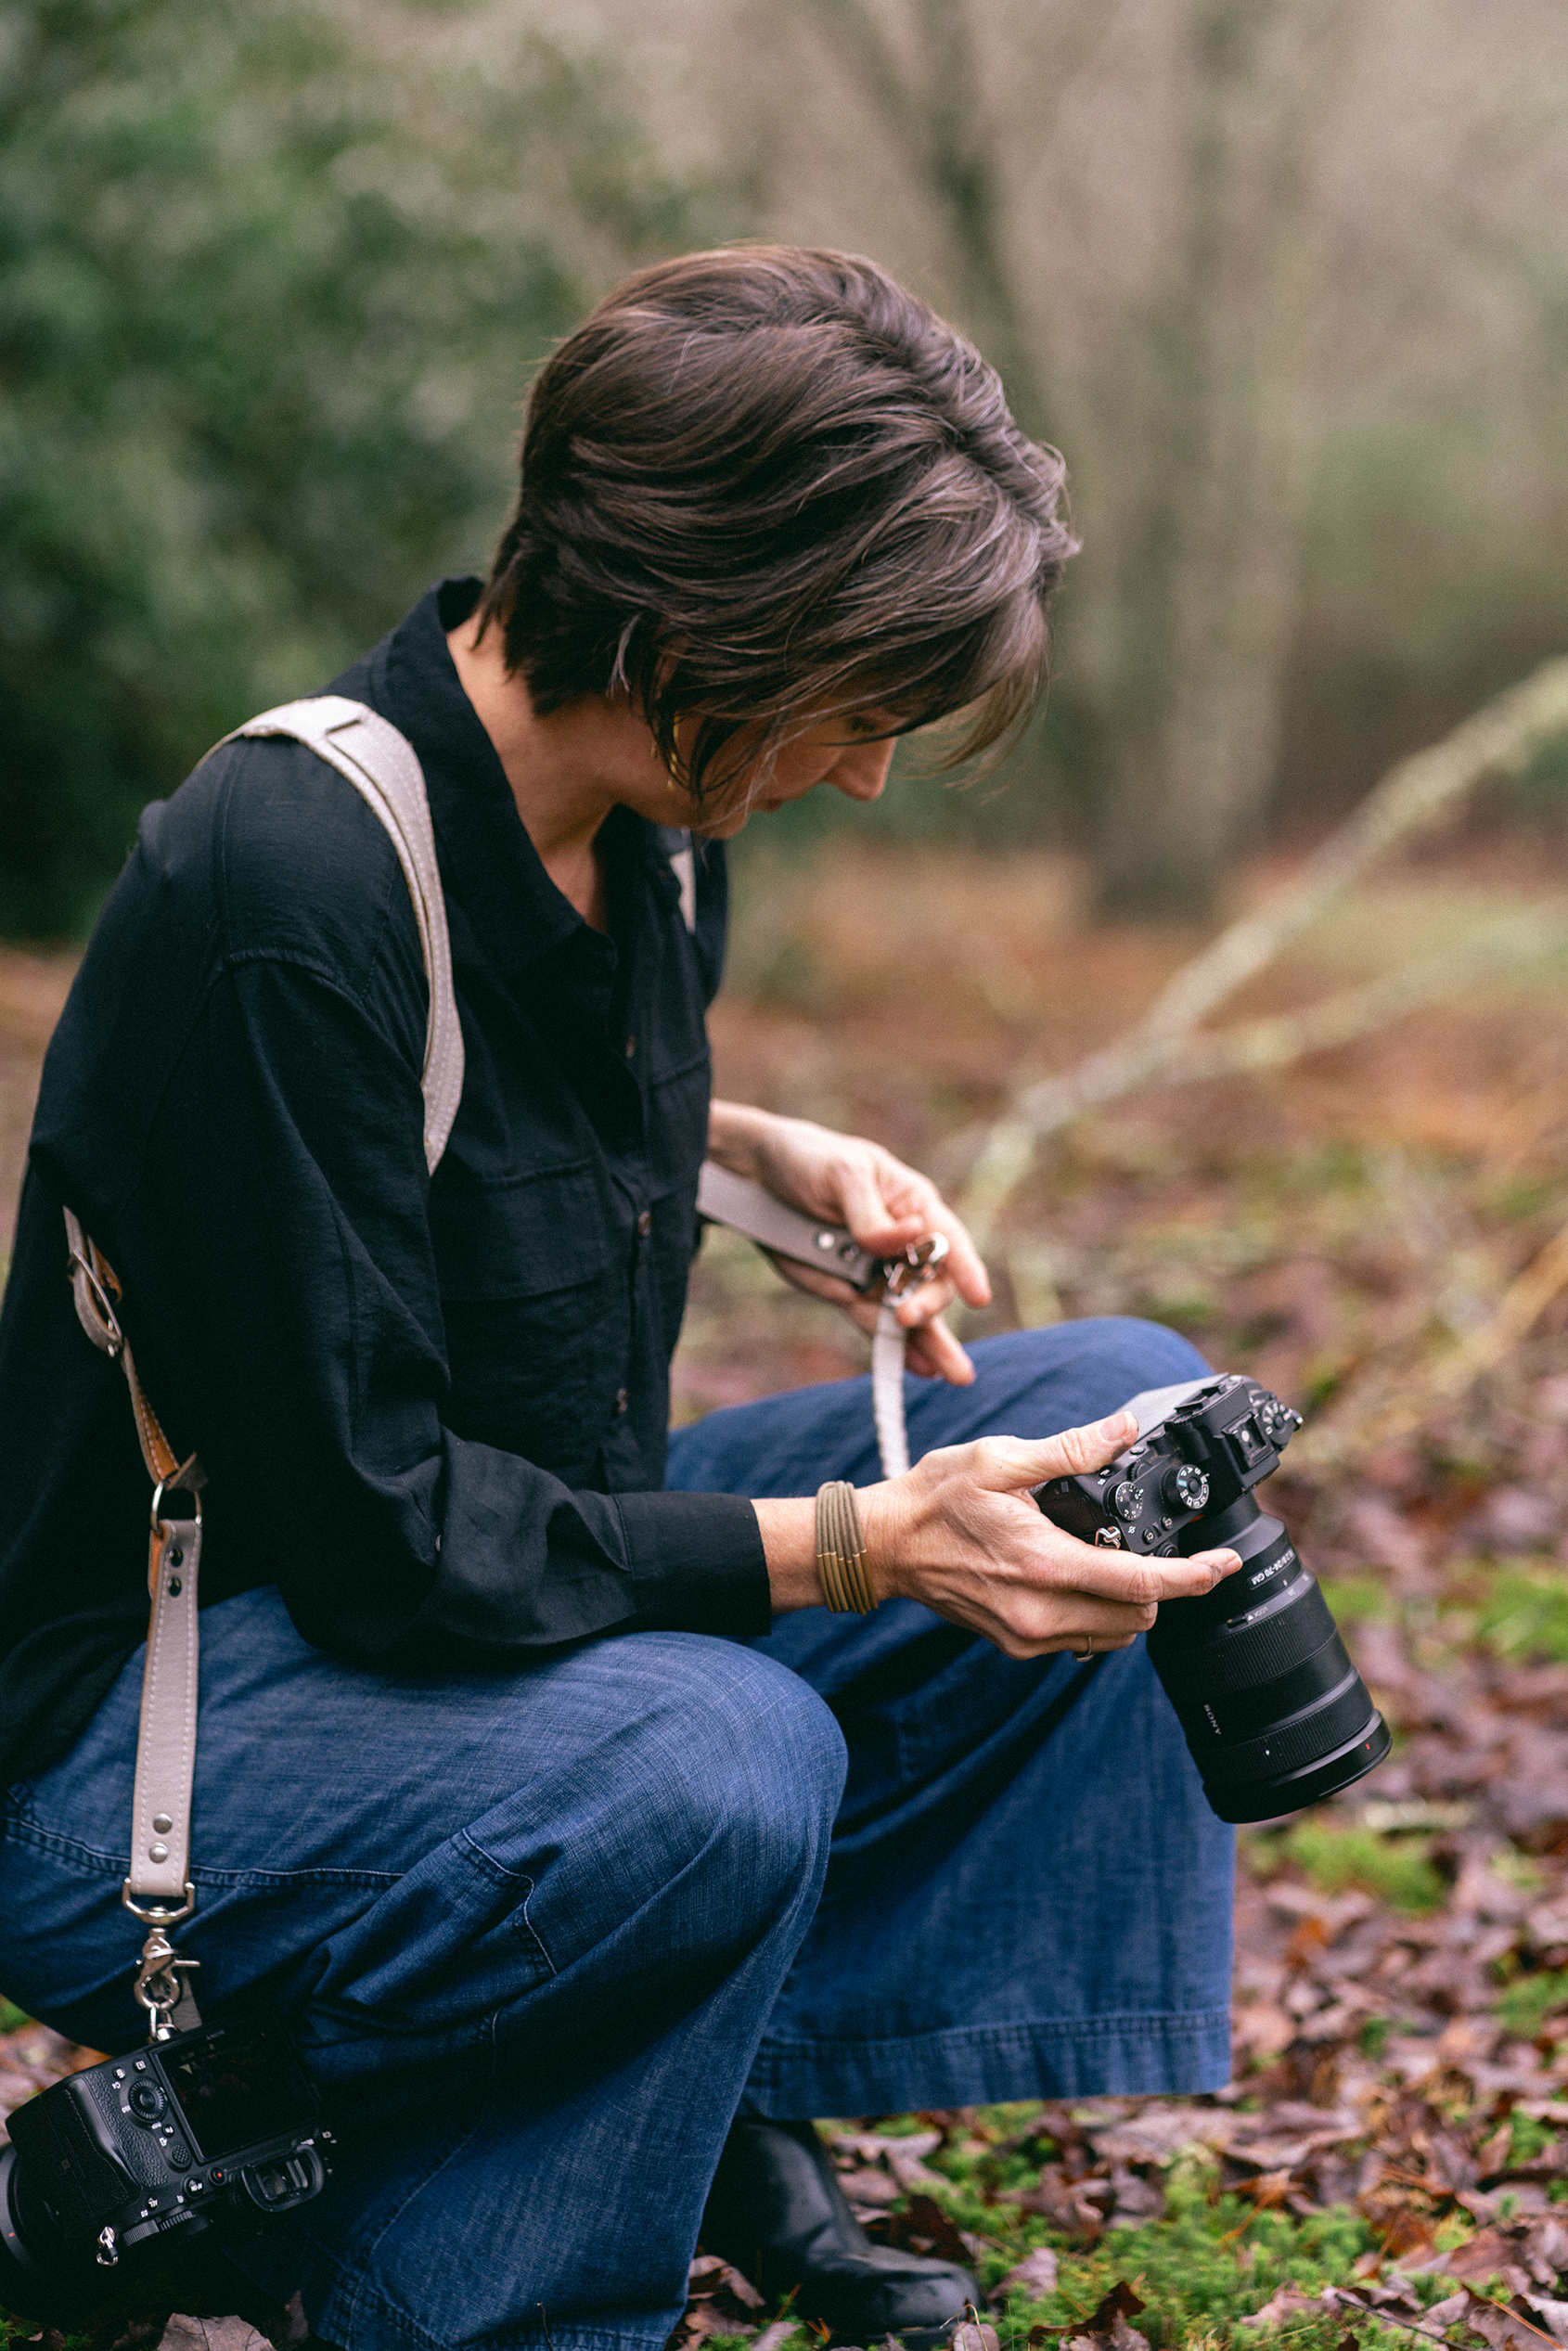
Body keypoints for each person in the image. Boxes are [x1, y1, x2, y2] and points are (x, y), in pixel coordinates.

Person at [0, 247, 1241, 2351]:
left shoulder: (653, 830)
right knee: (722, 1748)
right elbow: (386, 1535)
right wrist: (857, 1543)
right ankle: (333, 2195)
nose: (861, 774)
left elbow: (452, 1127)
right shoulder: (281, 871)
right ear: (705, 618)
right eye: (855, 701)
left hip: (484, 1651)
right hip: (160, 1733)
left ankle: (713, 2079)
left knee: (1123, 1419)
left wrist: (748, 1151)